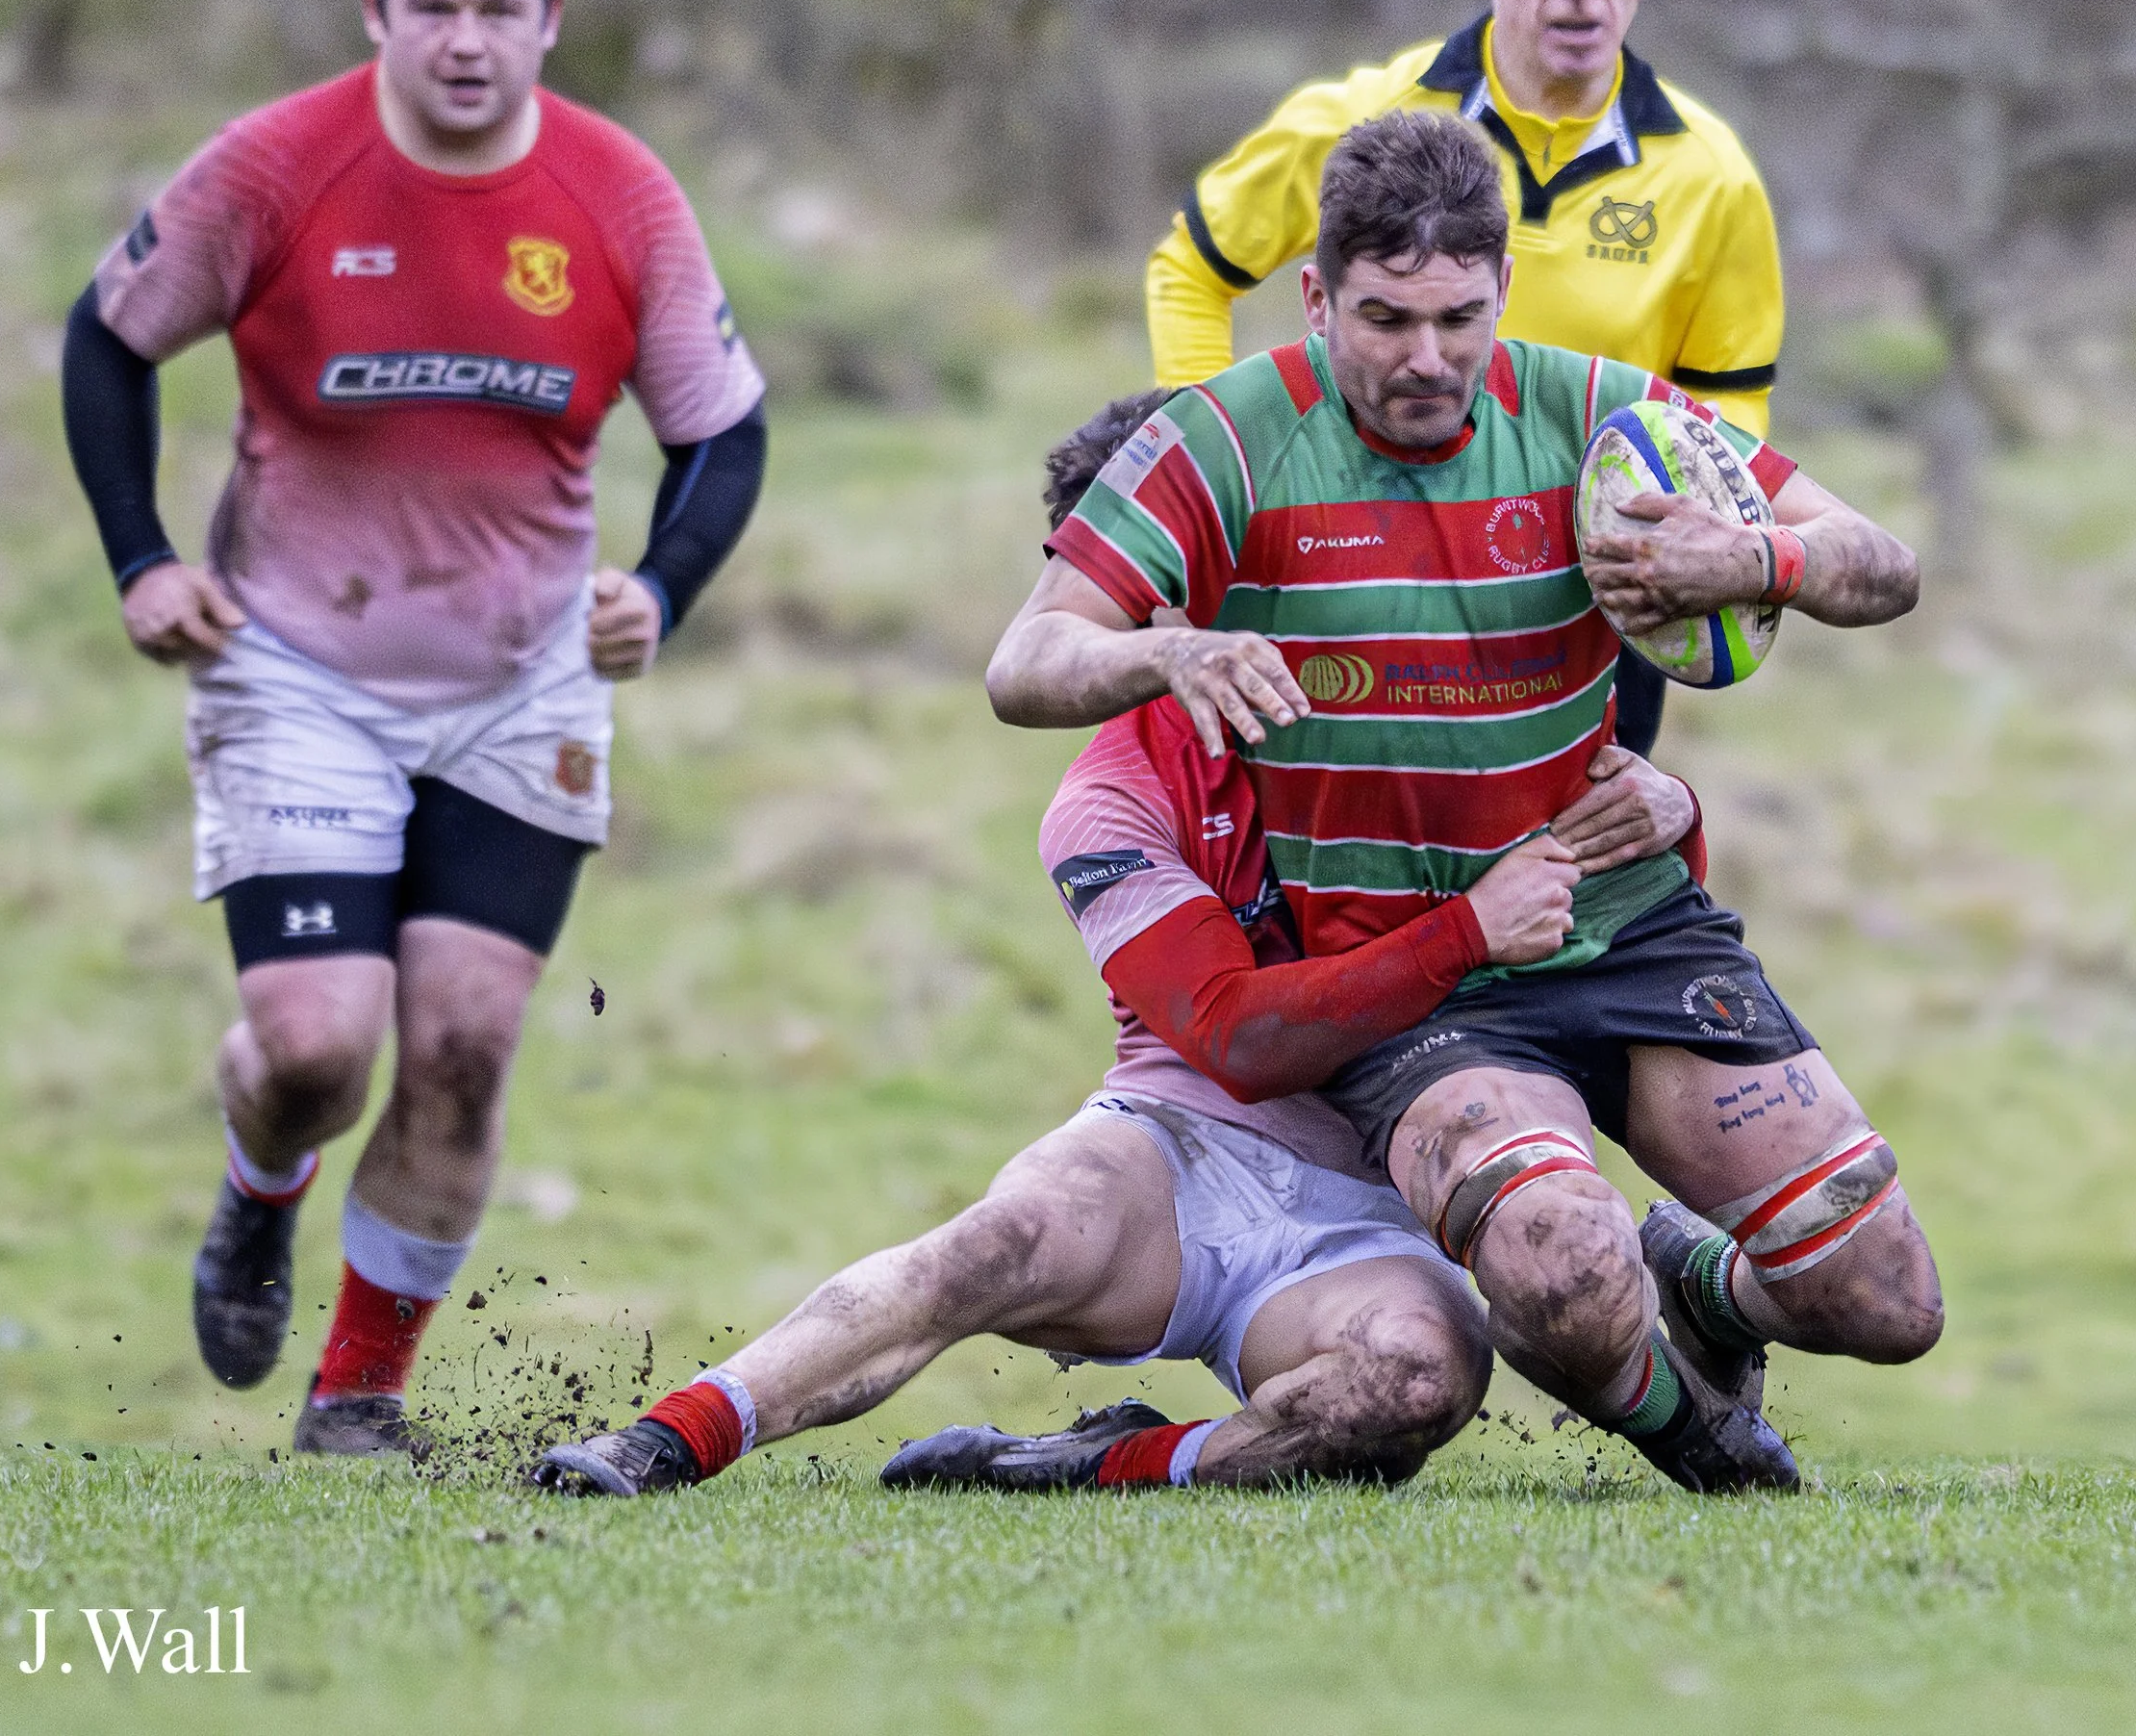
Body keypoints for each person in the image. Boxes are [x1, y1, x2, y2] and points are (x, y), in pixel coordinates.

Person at [991, 109, 1942, 1493]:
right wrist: (1169, 649)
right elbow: (1027, 660)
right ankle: (1703, 1443)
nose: (1428, 358)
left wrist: (1755, 557)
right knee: (1562, 1267)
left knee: (1888, 1299)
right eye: (1384, 319)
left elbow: (1885, 560)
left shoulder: (1593, 411)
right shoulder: (1226, 443)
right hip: (1427, 982)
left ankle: (1708, 1280)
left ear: (1503, 287)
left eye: (1458, 316)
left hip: (1623, 926)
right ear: (1316, 296)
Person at [531, 395, 1700, 1499]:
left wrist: (1665, 812)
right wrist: (1463, 929)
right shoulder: (1107, 802)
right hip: (1178, 1147)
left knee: (1407, 1387)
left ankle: (1087, 1465)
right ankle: (662, 1440)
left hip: (1378, 1203)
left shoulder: (1432, 704)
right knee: (993, 1243)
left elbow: (1617, 927)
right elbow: (1238, 1038)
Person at [60, 0, 768, 1453]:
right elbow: (107, 338)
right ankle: (260, 1186)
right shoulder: (270, 168)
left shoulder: (618, 193)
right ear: (372, 5)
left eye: (496, 8)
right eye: (431, 4)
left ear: (552, 15)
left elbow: (724, 430)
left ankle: (358, 1398)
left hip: (524, 681)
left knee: (461, 1042)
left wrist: (656, 588)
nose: (464, 38)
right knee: (317, 1047)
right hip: (296, 663)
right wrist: (138, 557)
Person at [1143, 0, 1788, 753]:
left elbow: (1728, 416)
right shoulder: (1370, 116)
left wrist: (1696, 541)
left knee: (1572, 891)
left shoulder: (1712, 176)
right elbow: (1189, 271)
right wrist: (1205, 495)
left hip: (1587, 612)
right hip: (1360, 582)